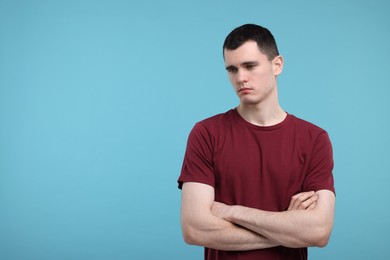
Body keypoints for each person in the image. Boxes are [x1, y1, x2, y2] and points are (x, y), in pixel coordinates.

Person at [177, 24, 335, 260]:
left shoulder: (314, 139)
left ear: (277, 65)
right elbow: (194, 229)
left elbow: (319, 231)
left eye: (250, 66)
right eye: (232, 69)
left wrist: (232, 212)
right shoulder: (206, 133)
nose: (240, 78)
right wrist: (289, 228)